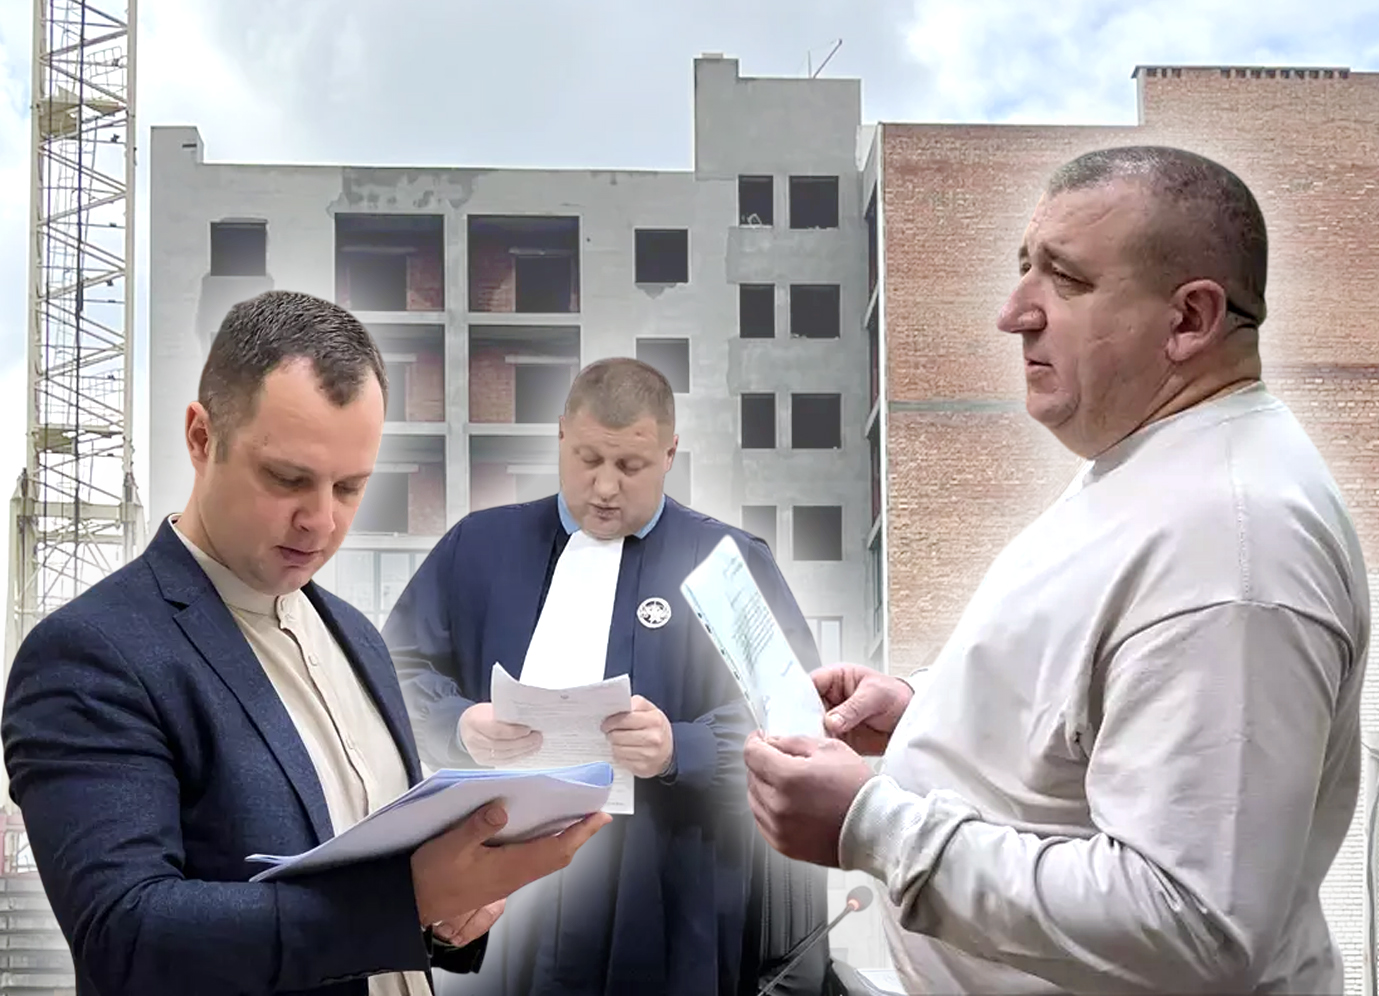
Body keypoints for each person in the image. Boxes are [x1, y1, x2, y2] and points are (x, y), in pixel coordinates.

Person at [742, 146, 1372, 994]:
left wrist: (873, 826)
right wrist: (932, 715)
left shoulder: (1231, 543)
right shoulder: (1152, 466)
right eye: (1023, 269)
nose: (1013, 314)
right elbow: (1103, 697)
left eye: (1065, 280)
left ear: (1188, 320)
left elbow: (1192, 922)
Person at [2, 290, 610, 996]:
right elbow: (126, 937)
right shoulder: (93, 655)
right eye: (288, 479)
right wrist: (405, 899)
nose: (320, 520)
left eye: (350, 487)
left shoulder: (358, 638)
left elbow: (373, 897)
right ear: (200, 438)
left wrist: (446, 913)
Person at [382, 357, 832, 996]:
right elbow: (391, 671)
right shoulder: (480, 547)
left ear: (670, 454)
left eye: (630, 465)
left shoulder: (724, 562)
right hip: (504, 900)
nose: (604, 487)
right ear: (561, 434)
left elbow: (797, 724)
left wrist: (680, 747)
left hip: (670, 903)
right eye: (588, 458)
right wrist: (459, 724)